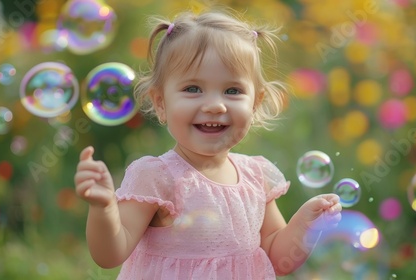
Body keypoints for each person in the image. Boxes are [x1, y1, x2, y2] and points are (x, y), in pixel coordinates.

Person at [74, 8, 342, 279]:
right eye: (193, 89)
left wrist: (306, 225)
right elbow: (110, 255)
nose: (215, 105)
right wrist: (104, 208)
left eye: (233, 90)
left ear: (256, 103)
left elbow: (278, 258)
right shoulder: (157, 178)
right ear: (161, 103)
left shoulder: (256, 177)